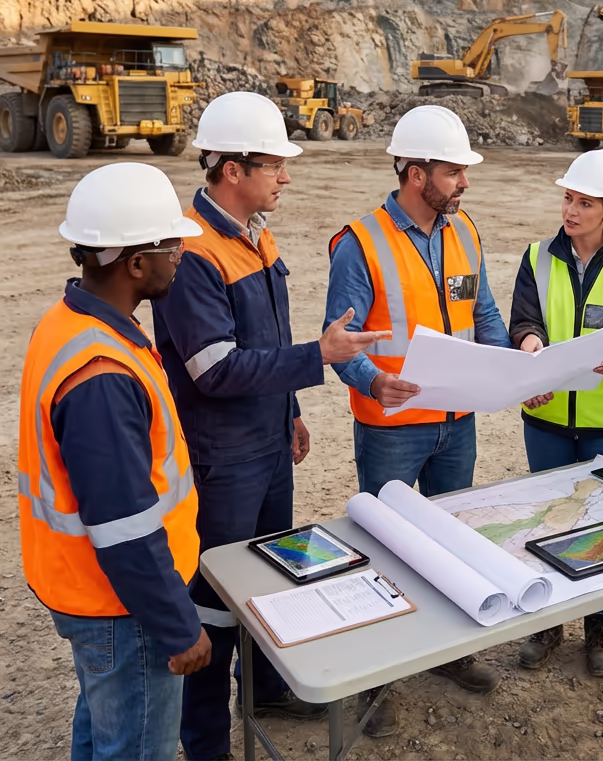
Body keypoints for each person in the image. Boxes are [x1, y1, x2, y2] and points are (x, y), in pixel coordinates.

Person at [153, 92, 387, 761]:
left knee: (267, 577)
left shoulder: (254, 234)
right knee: (216, 597)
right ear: (233, 169)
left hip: (266, 444)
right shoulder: (194, 253)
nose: (286, 177)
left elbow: (264, 340)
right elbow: (214, 369)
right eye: (275, 165)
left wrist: (291, 410)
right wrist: (319, 356)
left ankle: (266, 693)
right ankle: (205, 741)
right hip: (222, 458)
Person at [325, 104, 513, 735]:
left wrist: (511, 366)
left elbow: (483, 314)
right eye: (454, 172)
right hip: (393, 428)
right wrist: (373, 380)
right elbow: (340, 342)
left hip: (456, 424)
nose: (464, 183)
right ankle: (375, 681)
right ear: (415, 174)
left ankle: (449, 653)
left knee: (452, 541)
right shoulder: (360, 244)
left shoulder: (464, 231)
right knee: (384, 550)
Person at [19, 162, 211, 761]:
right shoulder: (100, 373)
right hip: (124, 608)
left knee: (106, 731)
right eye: (171, 246)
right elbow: (125, 526)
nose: (180, 256)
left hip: (98, 593)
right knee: (134, 747)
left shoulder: (70, 322)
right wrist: (178, 626)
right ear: (134, 263)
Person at [508, 149, 603, 676]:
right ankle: (549, 622)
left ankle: (597, 625)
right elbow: (524, 319)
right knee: (548, 519)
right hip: (547, 418)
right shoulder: (536, 257)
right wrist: (528, 341)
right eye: (569, 199)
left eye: (585, 203)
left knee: (601, 524)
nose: (571, 210)